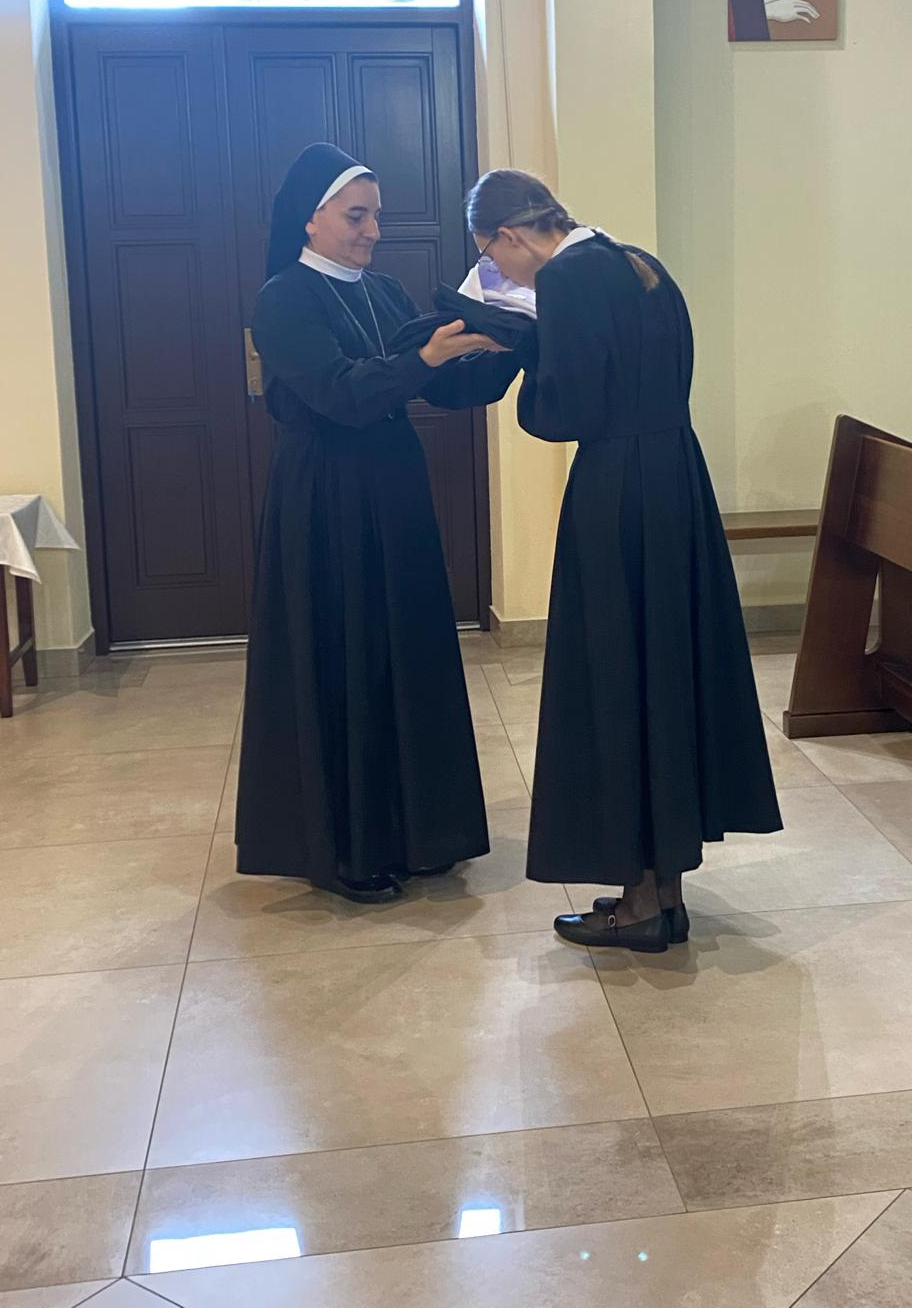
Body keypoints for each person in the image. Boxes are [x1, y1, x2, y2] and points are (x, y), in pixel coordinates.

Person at [466, 169, 782, 954]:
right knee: (662, 676)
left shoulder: (568, 278)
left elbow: (566, 411)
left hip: (617, 492)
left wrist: (526, 361)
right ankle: (662, 893)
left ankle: (640, 906)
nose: (500, 271)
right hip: (675, 476)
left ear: (510, 234)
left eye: (492, 256)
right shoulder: (641, 262)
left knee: (618, 677)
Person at [237, 143, 519, 903]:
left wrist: (507, 345)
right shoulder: (283, 298)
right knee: (348, 655)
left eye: (375, 216)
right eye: (356, 216)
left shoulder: (385, 291)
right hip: (325, 496)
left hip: (394, 490)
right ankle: (351, 849)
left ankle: (423, 834)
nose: (372, 231)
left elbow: (446, 386)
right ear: (310, 218)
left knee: (407, 650)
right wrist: (426, 357)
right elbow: (342, 394)